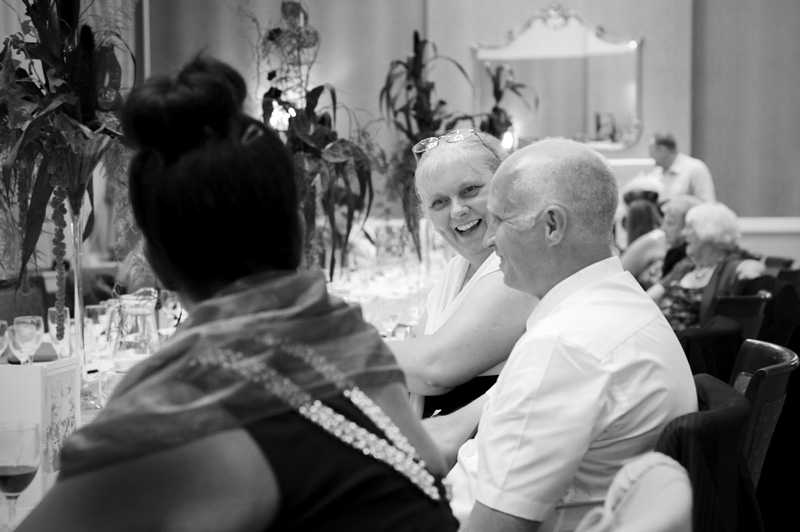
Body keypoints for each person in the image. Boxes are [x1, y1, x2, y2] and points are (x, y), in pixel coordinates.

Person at [18, 57, 457, 532]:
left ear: (156, 259)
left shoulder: (172, 409)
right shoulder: (347, 336)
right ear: (300, 226)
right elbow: (426, 466)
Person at [428, 138, 697, 532]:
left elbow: (494, 526)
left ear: (552, 225)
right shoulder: (615, 303)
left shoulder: (565, 346)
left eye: (501, 220)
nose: (488, 239)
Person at [387, 129, 537, 418]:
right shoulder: (457, 268)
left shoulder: (519, 267)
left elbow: (434, 369)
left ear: (505, 187)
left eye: (470, 190)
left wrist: (344, 346)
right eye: (439, 202)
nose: (457, 211)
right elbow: (416, 357)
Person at [647, 202, 764, 333]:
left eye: (690, 228)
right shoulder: (686, 265)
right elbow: (649, 298)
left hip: (690, 347)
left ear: (709, 233)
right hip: (659, 336)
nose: (684, 234)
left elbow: (751, 267)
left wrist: (752, 267)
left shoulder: (729, 267)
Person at [648, 132, 716, 203]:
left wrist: (685, 204)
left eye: (652, 153)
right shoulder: (657, 172)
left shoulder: (696, 168)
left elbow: (708, 204)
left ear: (663, 150)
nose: (651, 157)